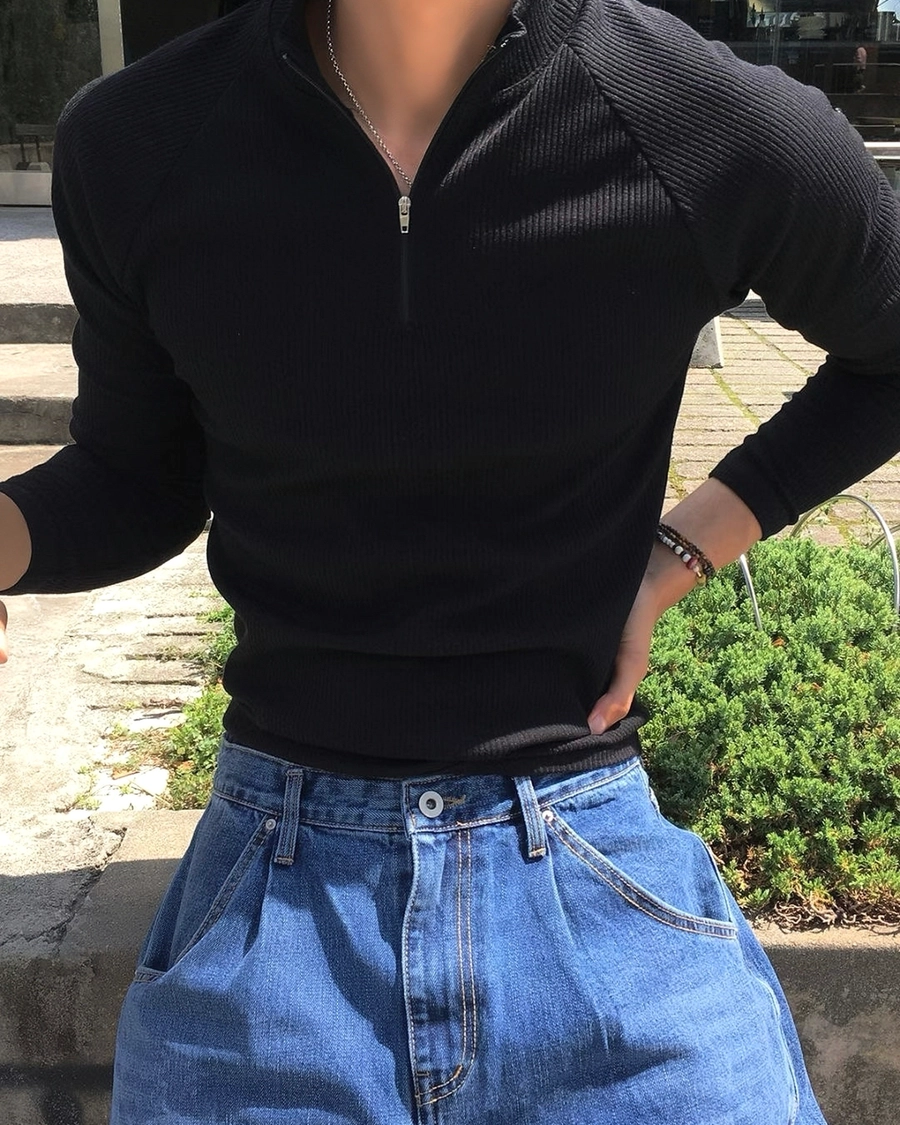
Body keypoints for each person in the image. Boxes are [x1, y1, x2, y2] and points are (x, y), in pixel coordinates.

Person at [2, 0, 899, 1120]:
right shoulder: (140, 140)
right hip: (272, 921)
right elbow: (137, 476)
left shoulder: (690, 117)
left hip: (592, 876)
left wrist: (679, 549)